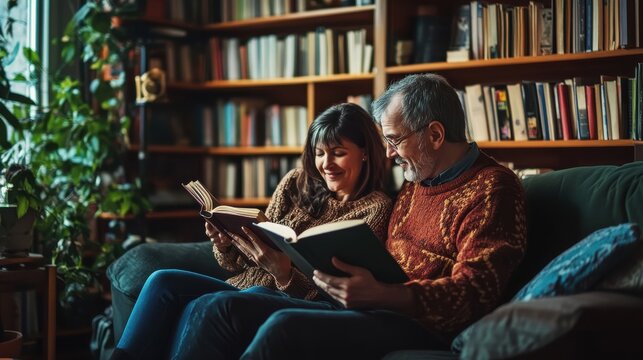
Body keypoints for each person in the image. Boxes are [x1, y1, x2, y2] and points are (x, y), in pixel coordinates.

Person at [158, 73, 528, 360]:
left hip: (415, 322)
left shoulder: (493, 188)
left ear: (434, 135)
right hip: (370, 304)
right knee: (221, 304)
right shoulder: (419, 180)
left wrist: (385, 294)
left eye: (395, 140)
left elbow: (477, 291)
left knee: (281, 324)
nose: (389, 153)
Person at [112, 102, 393, 359]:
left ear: (365, 153)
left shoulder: (375, 209)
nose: (326, 164)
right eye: (319, 153)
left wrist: (284, 274)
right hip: (242, 286)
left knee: (212, 303)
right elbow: (240, 261)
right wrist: (226, 243)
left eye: (339, 153)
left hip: (283, 300)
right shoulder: (297, 182)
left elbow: (335, 297)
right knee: (162, 280)